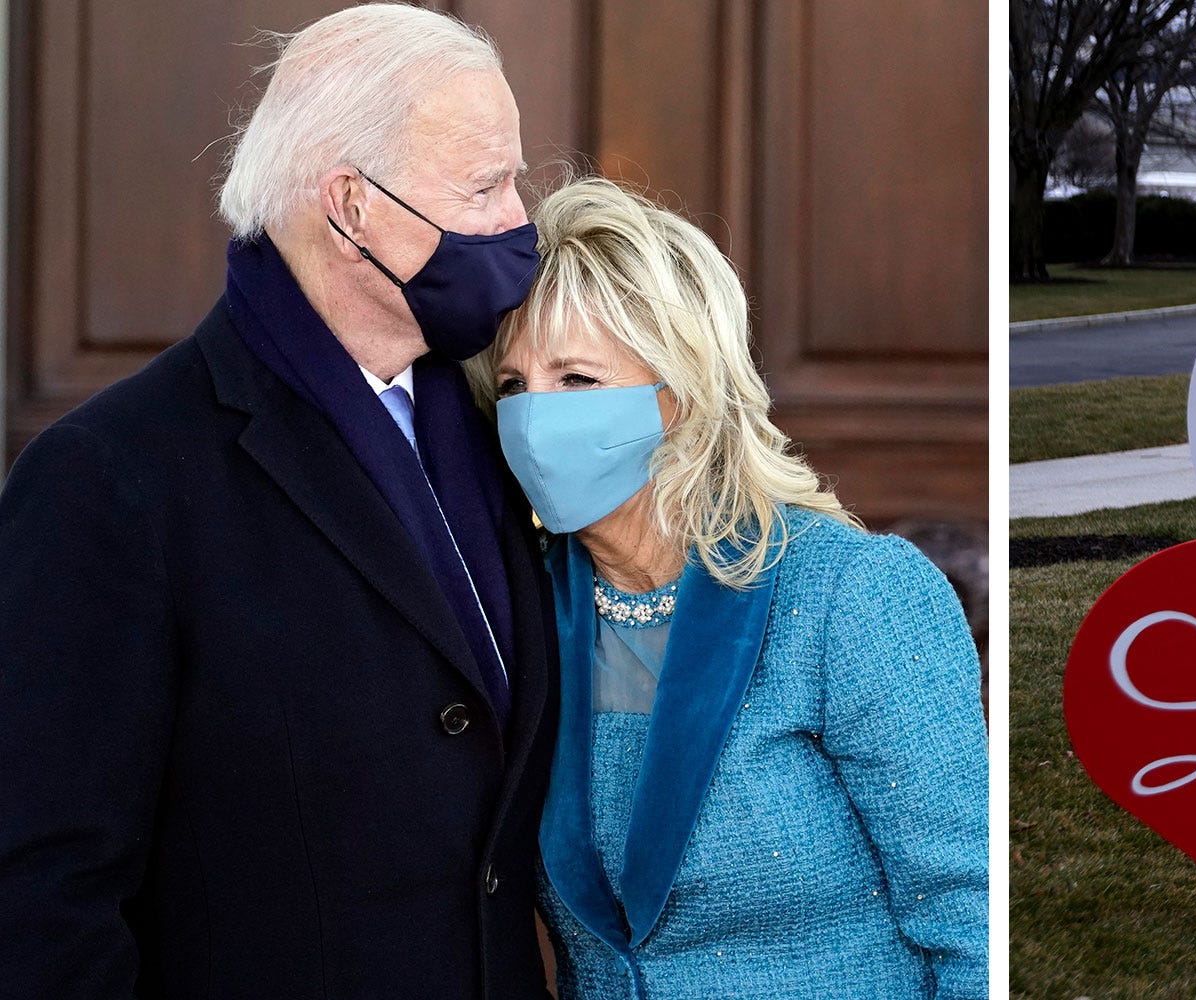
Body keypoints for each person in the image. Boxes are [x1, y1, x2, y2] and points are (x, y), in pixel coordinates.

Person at [0, 6, 557, 998]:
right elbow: (40, 895)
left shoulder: (497, 418)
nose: (520, 222)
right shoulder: (111, 477)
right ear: (350, 206)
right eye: (484, 186)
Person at [471, 178, 988, 999]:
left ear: (680, 395)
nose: (535, 418)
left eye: (576, 380)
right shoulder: (519, 615)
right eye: (512, 387)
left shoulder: (852, 598)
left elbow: (975, 924)